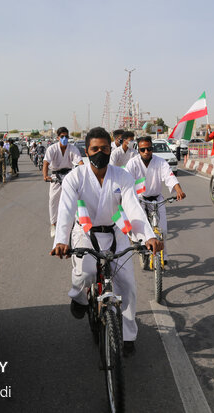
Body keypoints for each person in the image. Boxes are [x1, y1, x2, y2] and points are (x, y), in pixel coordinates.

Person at [51, 127, 163, 357]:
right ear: (87, 150)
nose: (100, 152)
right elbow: (65, 209)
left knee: (128, 285)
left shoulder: (121, 176)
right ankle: (80, 298)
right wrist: (61, 240)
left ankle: (128, 336)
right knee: (85, 274)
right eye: (95, 148)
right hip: (85, 231)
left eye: (104, 148)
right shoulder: (75, 177)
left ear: (110, 148)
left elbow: (133, 208)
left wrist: (148, 236)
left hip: (116, 232)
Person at [125, 136, 186, 262]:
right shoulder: (133, 163)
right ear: (138, 150)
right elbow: (126, 181)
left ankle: (165, 255)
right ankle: (141, 247)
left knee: (163, 230)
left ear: (152, 149)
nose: (146, 152)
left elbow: (170, 176)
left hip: (157, 199)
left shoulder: (160, 162)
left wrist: (178, 190)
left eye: (149, 149)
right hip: (140, 199)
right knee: (139, 227)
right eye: (143, 150)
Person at [43, 127, 84, 237]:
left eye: (66, 136)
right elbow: (46, 163)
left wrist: (83, 173)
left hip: (68, 175)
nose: (64, 138)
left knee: (76, 197)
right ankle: (53, 224)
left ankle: (78, 222)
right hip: (55, 176)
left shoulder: (72, 148)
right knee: (53, 200)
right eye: (62, 137)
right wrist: (45, 176)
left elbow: (80, 162)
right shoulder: (52, 149)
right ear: (58, 138)